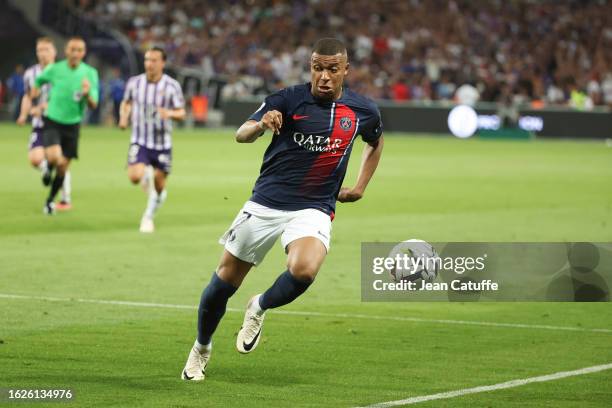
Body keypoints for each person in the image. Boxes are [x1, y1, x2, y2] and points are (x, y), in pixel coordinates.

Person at [181, 38, 384, 381]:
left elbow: (375, 141)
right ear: (310, 68)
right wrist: (262, 124)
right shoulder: (287, 99)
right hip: (266, 203)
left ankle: (259, 306)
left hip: (314, 207)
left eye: (332, 69)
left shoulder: (363, 111)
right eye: (317, 68)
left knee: (304, 270)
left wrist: (361, 186)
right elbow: (240, 134)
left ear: (345, 70)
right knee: (223, 283)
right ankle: (201, 348)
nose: (323, 76)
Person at [118, 47, 185, 233]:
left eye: (154, 60)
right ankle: (146, 174)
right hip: (140, 140)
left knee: (159, 186)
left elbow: (182, 112)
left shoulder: (171, 86)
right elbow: (126, 102)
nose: (149, 64)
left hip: (162, 144)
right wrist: (123, 117)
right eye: (147, 60)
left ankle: (148, 217)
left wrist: (169, 113)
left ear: (162, 63)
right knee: (134, 177)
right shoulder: (134, 83)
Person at [32, 36, 99, 215]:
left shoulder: (90, 73)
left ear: (84, 53)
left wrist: (86, 94)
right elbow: (38, 81)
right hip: (53, 119)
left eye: (79, 50)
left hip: (73, 124)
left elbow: (94, 104)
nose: (75, 53)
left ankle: (49, 201)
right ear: (66, 51)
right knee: (54, 156)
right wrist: (34, 91)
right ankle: (47, 165)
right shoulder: (55, 69)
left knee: (62, 167)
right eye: (72, 49)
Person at [17, 38, 72, 209]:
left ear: (54, 52)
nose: (42, 53)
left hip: (59, 123)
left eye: (46, 49)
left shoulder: (62, 72)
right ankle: (46, 169)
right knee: (35, 159)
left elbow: (63, 98)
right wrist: (23, 114)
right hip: (39, 124)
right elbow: (28, 95)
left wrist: (42, 107)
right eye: (39, 50)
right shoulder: (30, 73)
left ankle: (65, 198)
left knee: (60, 161)